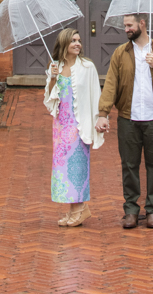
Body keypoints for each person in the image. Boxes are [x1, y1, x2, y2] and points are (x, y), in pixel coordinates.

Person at [95, 14, 153, 229]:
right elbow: (111, 85)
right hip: (128, 119)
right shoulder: (120, 53)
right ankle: (131, 210)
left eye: (129, 25)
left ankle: (152, 210)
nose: (126, 29)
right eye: (125, 25)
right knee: (129, 166)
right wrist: (103, 113)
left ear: (142, 24)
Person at [44, 28, 102, 227]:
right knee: (63, 169)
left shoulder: (87, 67)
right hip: (61, 127)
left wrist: (99, 119)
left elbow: (96, 95)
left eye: (79, 40)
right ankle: (74, 210)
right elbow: (50, 98)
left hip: (79, 127)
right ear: (64, 44)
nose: (77, 44)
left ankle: (80, 209)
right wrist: (52, 78)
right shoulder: (55, 67)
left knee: (77, 169)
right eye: (73, 41)